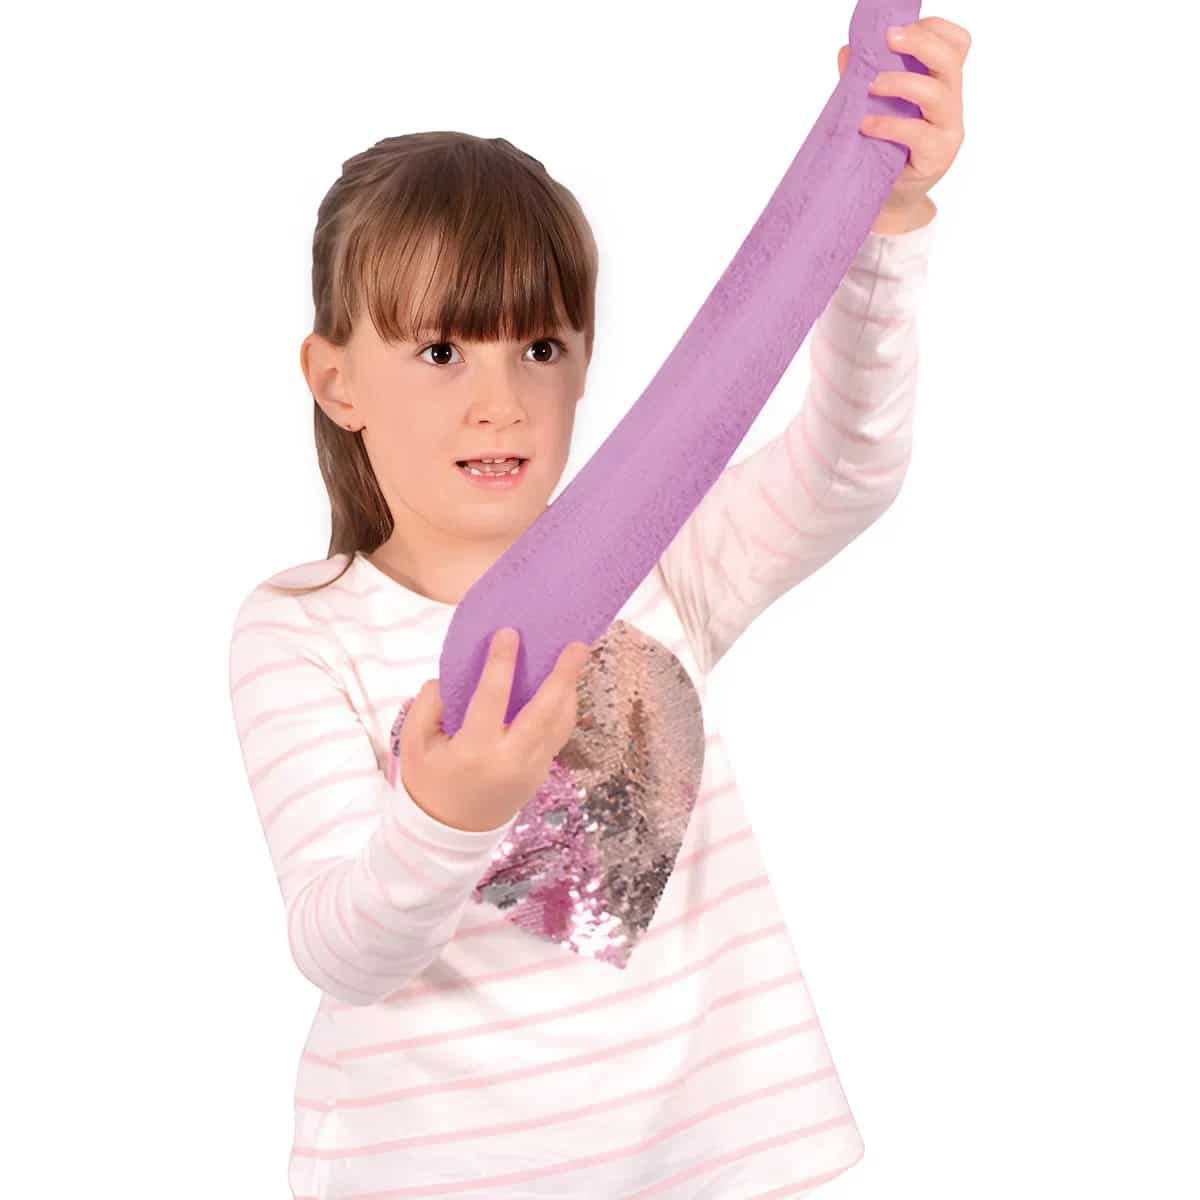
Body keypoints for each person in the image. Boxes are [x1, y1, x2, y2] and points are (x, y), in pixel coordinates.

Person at [227, 22, 967, 1195]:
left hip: (721, 1162)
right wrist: (447, 815)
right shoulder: (302, 633)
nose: (501, 400)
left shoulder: (661, 560)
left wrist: (881, 216)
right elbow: (342, 950)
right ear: (337, 381)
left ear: (584, 361)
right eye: (440, 353)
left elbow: (848, 468)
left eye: (539, 345)